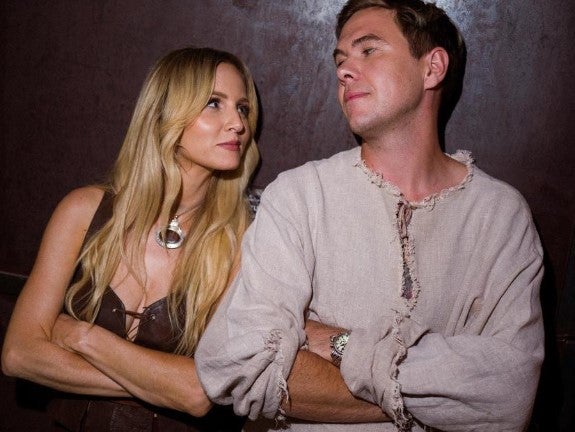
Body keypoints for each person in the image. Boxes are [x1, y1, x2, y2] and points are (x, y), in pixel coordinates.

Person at [194, 1, 544, 431]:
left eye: (369, 50)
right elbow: (243, 364)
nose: (344, 71)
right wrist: (446, 395)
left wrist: (340, 344)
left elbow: (509, 394)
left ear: (432, 67)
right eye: (340, 60)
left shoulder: (500, 215)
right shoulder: (299, 195)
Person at [1, 46, 260, 431]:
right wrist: (162, 384)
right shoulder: (83, 211)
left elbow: (198, 393)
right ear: (165, 114)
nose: (237, 123)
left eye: (242, 108)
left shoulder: (243, 242)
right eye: (213, 103)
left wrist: (82, 336)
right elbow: (19, 354)